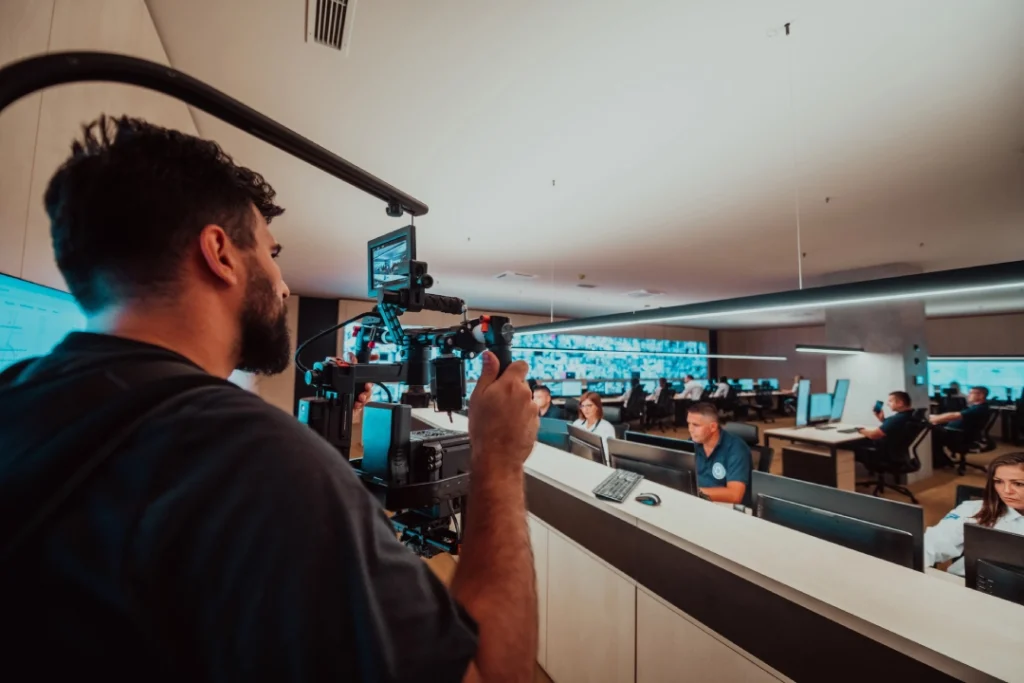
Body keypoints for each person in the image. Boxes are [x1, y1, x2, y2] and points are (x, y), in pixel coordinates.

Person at [0, 116, 538, 681]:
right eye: (272, 252)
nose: (282, 284)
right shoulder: (255, 462)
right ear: (220, 253)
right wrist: (497, 461)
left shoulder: (17, 403)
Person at [925, 452, 1024, 576]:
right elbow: (932, 543)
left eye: (1019, 484)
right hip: (966, 585)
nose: (1006, 491)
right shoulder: (973, 510)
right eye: (998, 482)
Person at [686, 402, 752, 506]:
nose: (690, 429)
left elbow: (735, 495)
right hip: (699, 502)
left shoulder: (736, 448)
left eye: (696, 425)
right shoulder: (692, 443)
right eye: (688, 424)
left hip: (727, 509)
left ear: (713, 427)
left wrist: (693, 491)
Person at [930, 386, 992, 465]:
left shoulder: (979, 408)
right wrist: (936, 418)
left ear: (981, 395)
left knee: (932, 433)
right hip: (959, 434)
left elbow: (954, 415)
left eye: (971, 393)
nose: (968, 395)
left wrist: (933, 419)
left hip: (960, 437)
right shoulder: (976, 407)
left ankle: (940, 461)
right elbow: (953, 417)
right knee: (935, 430)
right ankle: (941, 460)